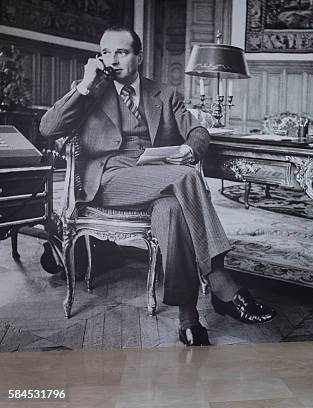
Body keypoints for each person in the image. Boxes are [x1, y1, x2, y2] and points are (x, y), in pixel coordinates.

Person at [39, 26, 275, 346]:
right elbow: (48, 128)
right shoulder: (89, 91)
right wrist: (84, 85)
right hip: (108, 180)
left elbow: (198, 132)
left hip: (156, 180)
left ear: (138, 56)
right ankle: (220, 280)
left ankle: (188, 315)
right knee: (187, 177)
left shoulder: (165, 93)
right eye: (106, 52)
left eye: (121, 52)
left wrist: (189, 149)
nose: (112, 59)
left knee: (174, 209)